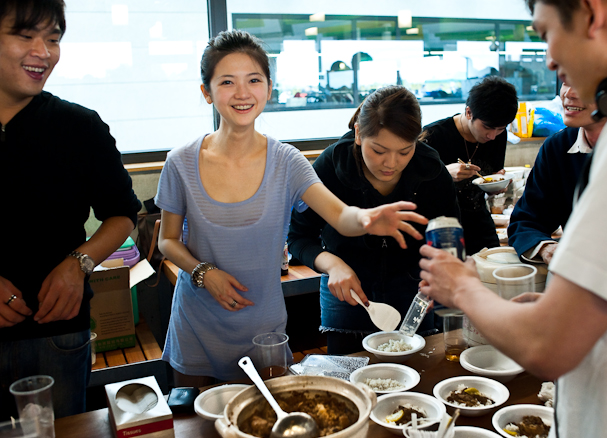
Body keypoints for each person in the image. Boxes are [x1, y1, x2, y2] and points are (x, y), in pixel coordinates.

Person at [418, 0, 607, 437]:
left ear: (591, 13)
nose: (549, 59)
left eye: (545, 32)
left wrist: (463, 287)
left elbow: (548, 347)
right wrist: (557, 308)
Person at [155, 30, 428, 386]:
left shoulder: (287, 161)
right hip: (196, 330)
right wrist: (204, 272)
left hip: (264, 334)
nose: (242, 93)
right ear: (207, 92)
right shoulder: (180, 162)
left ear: (268, 88)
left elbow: (339, 215)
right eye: (227, 82)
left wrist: (368, 218)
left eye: (254, 80)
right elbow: (167, 241)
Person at [0, 0, 140, 419]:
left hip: (58, 332)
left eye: (54, 39)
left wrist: (79, 262)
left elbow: (122, 213)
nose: (43, 52)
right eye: (25, 36)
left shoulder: (79, 126)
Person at [288, 86, 460, 354]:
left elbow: (450, 234)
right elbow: (298, 237)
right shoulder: (332, 165)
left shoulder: (431, 170)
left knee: (416, 375)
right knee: (346, 378)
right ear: (358, 133)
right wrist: (333, 265)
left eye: (405, 151)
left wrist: (440, 270)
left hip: (414, 290)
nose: (391, 163)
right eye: (379, 150)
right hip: (347, 292)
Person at [508, 83, 607, 264]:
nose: (568, 93)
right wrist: (545, 247)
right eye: (565, 81)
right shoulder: (558, 147)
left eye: (580, 80)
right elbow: (526, 220)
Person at [422, 76, 518, 255]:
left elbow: (491, 175)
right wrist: (443, 174)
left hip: (479, 221)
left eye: (501, 128)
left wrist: (496, 184)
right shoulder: (432, 136)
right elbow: (412, 187)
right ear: (469, 113)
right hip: (440, 225)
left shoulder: (497, 135)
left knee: (493, 269)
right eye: (487, 127)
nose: (492, 136)